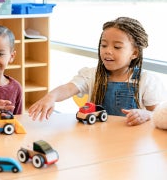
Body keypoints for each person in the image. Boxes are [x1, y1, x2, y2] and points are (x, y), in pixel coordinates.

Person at [29, 17, 166, 126]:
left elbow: (157, 114)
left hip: (133, 144)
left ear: (134, 53)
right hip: (96, 140)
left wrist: (146, 114)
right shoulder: (91, 75)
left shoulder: (146, 80)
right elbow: (68, 88)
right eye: (104, 45)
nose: (107, 50)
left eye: (117, 47)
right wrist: (51, 97)